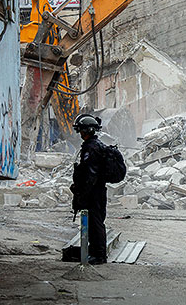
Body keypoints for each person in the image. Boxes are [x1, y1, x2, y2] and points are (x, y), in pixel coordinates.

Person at [70, 114, 108, 265]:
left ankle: (99, 256)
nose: (80, 134)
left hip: (94, 192)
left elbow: (90, 175)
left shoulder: (91, 148)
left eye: (82, 131)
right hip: (96, 191)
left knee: (95, 223)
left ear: (88, 131)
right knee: (94, 222)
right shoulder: (94, 145)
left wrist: (82, 194)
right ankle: (95, 253)